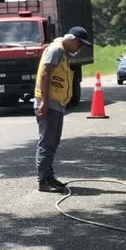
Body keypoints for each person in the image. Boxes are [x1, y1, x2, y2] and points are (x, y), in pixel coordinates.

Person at [34, 26, 91, 192]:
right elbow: (45, 74)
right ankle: (43, 180)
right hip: (49, 101)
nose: (79, 48)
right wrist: (44, 101)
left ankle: (49, 176)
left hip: (57, 102)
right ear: (72, 39)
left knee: (53, 142)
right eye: (79, 44)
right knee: (46, 142)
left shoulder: (63, 53)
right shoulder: (56, 50)